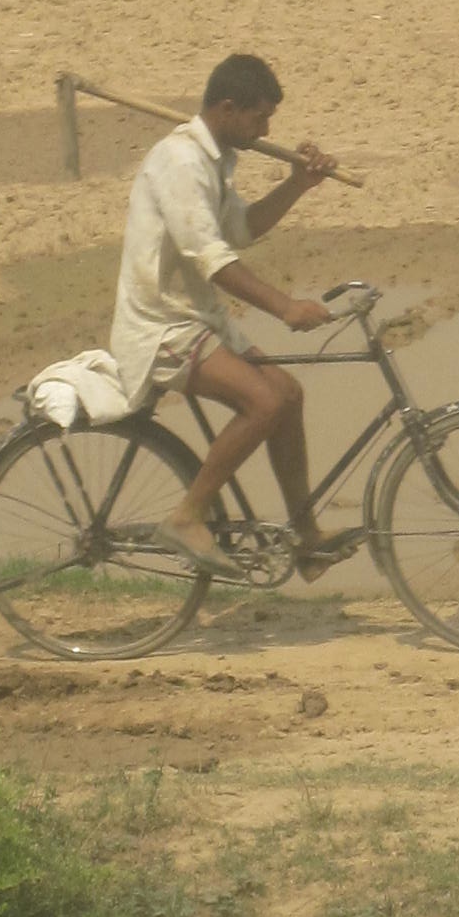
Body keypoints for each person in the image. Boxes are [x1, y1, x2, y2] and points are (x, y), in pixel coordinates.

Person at [109, 53, 344, 562]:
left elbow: (240, 229)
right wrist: (285, 308)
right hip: (162, 326)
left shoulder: (215, 161)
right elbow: (211, 258)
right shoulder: (181, 162)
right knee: (264, 403)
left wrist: (298, 183)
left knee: (288, 394)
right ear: (229, 109)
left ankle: (305, 536)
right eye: (260, 118)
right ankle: (186, 517)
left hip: (198, 321)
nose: (266, 131)